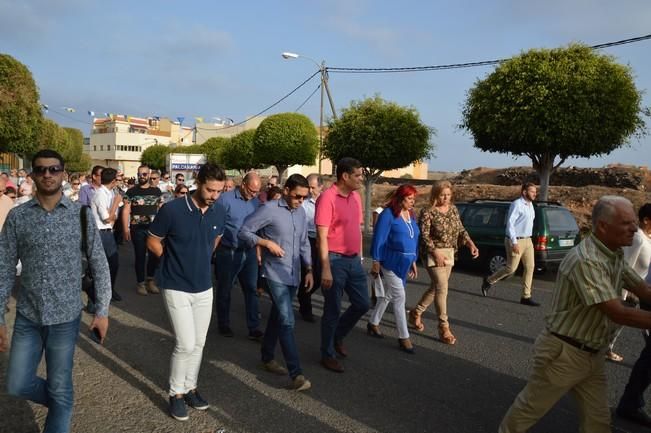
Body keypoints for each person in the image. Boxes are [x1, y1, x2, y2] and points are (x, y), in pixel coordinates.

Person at [498, 196, 651, 433]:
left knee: (598, 422)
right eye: (626, 223)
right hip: (564, 353)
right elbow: (618, 313)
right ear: (602, 226)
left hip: (591, 354)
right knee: (528, 411)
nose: (634, 228)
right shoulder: (587, 260)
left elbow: (643, 290)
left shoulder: (614, 254)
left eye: (634, 222)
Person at [0, 149, 111, 433]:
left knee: (61, 387)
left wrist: (102, 311)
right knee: (17, 383)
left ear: (63, 173)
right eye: (41, 170)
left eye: (53, 169)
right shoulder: (18, 217)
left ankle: (62, 402)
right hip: (28, 316)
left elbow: (99, 264)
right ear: (33, 175)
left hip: (65, 317)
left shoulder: (81, 215)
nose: (47, 174)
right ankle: (62, 401)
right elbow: (3, 267)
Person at [147, 162, 226, 421]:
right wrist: (170, 262)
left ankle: (191, 388)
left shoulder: (218, 211)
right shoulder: (172, 210)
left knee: (200, 343)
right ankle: (176, 394)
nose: (214, 196)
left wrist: (200, 261)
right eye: (210, 190)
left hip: (204, 286)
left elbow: (215, 241)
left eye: (219, 191)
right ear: (198, 183)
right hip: (175, 285)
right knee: (185, 343)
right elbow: (153, 240)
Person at [239, 174, 314, 391]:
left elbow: (303, 244)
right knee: (287, 321)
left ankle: (267, 357)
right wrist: (265, 242)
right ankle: (296, 373)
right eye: (298, 196)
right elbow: (244, 231)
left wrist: (309, 268)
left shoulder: (300, 213)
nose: (301, 201)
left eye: (304, 197)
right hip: (274, 274)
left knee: (277, 317)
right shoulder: (269, 209)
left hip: (294, 274)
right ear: (287, 190)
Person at [408, 180, 479, 345]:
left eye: (448, 195)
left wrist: (470, 244)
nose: (446, 198)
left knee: (436, 288)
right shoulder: (428, 211)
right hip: (433, 254)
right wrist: (435, 252)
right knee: (442, 287)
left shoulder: (453, 209)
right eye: (442, 195)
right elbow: (424, 235)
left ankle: (415, 313)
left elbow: (460, 229)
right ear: (435, 195)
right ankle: (443, 327)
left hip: (449, 253)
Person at [316, 157, 369, 373]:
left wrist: (361, 257)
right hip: (335, 261)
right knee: (332, 309)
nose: (361, 179)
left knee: (362, 304)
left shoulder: (356, 197)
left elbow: (357, 229)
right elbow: (322, 237)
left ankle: (338, 335)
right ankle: (327, 353)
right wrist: (326, 268)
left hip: (354, 260)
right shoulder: (327, 198)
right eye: (357, 175)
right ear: (345, 176)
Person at [367, 185, 420, 353]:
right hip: (390, 260)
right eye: (410, 198)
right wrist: (376, 260)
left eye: (413, 199)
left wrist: (413, 260)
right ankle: (404, 337)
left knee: (389, 294)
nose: (413, 202)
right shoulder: (388, 215)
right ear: (401, 198)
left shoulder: (410, 214)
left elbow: (413, 239)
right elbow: (379, 238)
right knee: (399, 297)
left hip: (405, 262)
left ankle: (373, 322)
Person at [213, 171, 263, 339]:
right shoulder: (225, 200)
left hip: (248, 253)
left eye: (257, 191)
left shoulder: (257, 203)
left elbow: (259, 230)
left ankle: (254, 327)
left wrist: (258, 251)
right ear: (243, 185)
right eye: (251, 190)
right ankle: (224, 324)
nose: (254, 194)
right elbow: (216, 227)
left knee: (251, 290)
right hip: (228, 252)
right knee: (225, 289)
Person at [615, 202, 651, 427]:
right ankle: (630, 403)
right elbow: (625, 267)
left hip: (642, 291)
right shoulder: (638, 238)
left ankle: (631, 401)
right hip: (640, 293)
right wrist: (623, 296)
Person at [481, 182, 539, 306]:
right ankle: (489, 280)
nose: (535, 194)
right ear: (524, 192)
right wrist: (514, 242)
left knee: (530, 267)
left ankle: (526, 296)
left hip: (528, 240)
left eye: (535, 191)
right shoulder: (517, 205)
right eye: (532, 191)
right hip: (515, 240)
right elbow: (510, 224)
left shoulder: (531, 205)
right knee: (511, 268)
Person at [122, 165, 162, 296]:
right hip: (137, 228)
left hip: (154, 229)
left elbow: (161, 209)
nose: (142, 177)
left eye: (144, 174)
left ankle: (150, 280)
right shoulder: (131, 191)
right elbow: (126, 210)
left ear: (149, 174)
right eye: (140, 174)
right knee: (140, 256)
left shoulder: (156, 191)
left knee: (154, 255)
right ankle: (140, 283)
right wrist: (125, 228)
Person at [90, 167, 123, 303]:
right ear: (113, 180)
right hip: (100, 233)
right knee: (100, 266)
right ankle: (94, 296)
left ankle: (108, 291)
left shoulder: (110, 192)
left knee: (113, 264)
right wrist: (115, 203)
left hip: (108, 232)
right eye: (118, 179)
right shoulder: (100, 194)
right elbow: (107, 218)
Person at [298, 173, 323, 323]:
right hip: (308, 240)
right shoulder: (304, 203)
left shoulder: (326, 201)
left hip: (322, 241)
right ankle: (306, 308)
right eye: (308, 187)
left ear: (321, 187)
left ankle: (302, 294)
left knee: (319, 277)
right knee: (308, 273)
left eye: (313, 187)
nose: (310, 190)